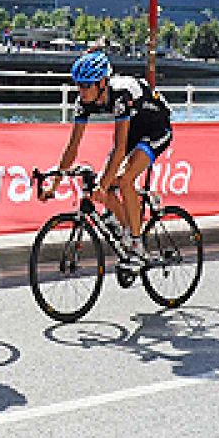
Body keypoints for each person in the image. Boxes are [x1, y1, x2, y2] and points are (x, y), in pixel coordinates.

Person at [41, 50, 172, 279]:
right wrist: (54, 184)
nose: (81, 91)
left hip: (156, 129)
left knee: (124, 180)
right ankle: (127, 231)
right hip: (133, 131)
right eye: (78, 85)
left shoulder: (121, 94)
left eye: (86, 85)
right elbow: (72, 147)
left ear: (102, 83)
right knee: (105, 186)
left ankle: (137, 247)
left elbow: (120, 148)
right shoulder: (84, 101)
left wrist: (103, 185)